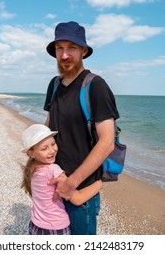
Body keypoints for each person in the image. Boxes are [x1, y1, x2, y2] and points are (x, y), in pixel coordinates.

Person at [44, 21, 120, 235]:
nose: (65, 55)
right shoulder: (54, 84)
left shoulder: (95, 86)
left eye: (72, 48)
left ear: (84, 51)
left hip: (81, 188)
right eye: (60, 48)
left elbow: (107, 142)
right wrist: (36, 164)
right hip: (56, 181)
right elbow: (49, 126)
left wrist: (71, 183)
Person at [21, 123, 102, 235]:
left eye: (53, 144)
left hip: (35, 225)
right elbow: (77, 199)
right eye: (44, 148)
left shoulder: (31, 169)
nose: (52, 150)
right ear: (31, 153)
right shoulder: (54, 170)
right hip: (55, 228)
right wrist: (99, 183)